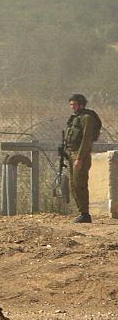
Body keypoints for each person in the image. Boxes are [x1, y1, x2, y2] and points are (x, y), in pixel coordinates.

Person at [63, 93, 102, 223]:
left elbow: (86, 140)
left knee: (79, 184)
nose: (72, 107)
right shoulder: (76, 118)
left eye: (74, 104)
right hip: (72, 153)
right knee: (73, 184)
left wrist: (79, 158)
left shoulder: (87, 118)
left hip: (80, 155)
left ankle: (85, 214)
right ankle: (82, 212)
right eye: (71, 105)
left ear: (81, 104)